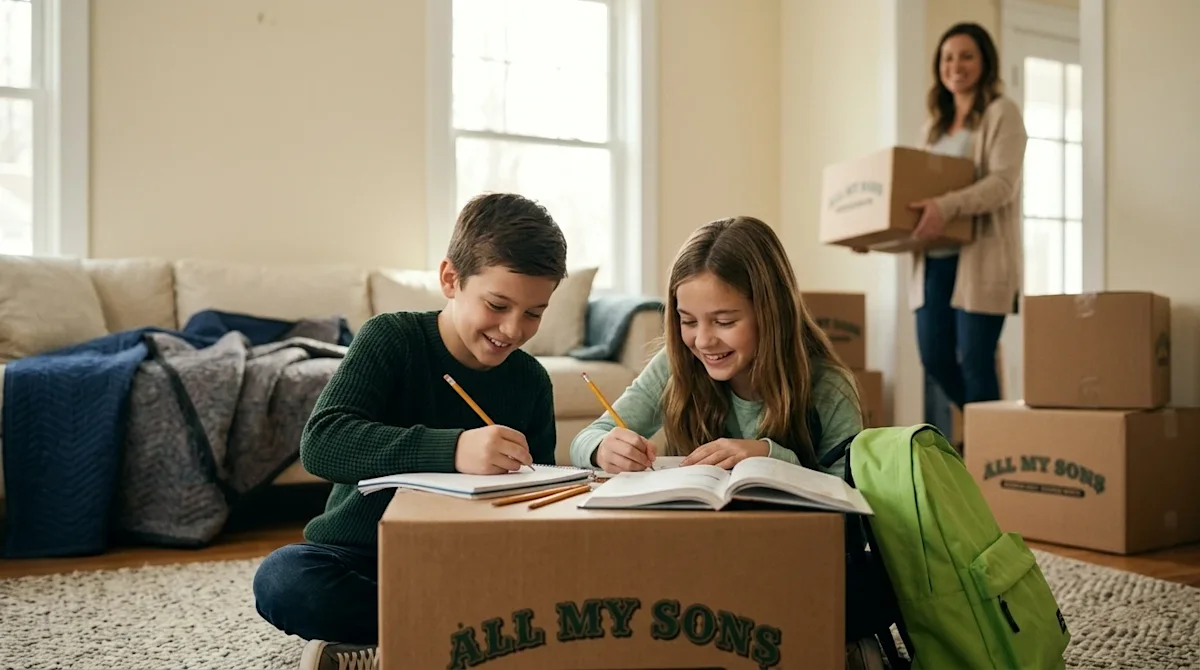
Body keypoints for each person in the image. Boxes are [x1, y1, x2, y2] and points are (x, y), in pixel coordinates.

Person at [252, 193, 568, 670]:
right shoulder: (390, 339)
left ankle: (406, 646)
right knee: (283, 581)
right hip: (362, 555)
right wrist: (453, 447)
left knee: (571, 579)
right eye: (498, 304)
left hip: (466, 564)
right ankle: (463, 637)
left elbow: (537, 496)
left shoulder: (530, 380)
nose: (512, 329)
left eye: (534, 313)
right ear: (450, 279)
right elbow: (322, 442)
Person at [569, 216, 883, 668]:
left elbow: (855, 517)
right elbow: (587, 438)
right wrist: (604, 448)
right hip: (701, 561)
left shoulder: (828, 386)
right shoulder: (677, 365)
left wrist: (773, 458)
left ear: (770, 312)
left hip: (795, 572)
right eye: (687, 321)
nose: (702, 340)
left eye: (725, 320)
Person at [907, 22, 1027, 446]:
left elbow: (1003, 184)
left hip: (981, 259)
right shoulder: (934, 127)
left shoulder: (1001, 113)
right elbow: (916, 195)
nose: (955, 65)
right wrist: (882, 235)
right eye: (947, 57)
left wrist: (948, 206)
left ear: (985, 62)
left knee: (976, 363)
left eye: (966, 55)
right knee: (935, 357)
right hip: (934, 264)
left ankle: (990, 454)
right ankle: (993, 435)